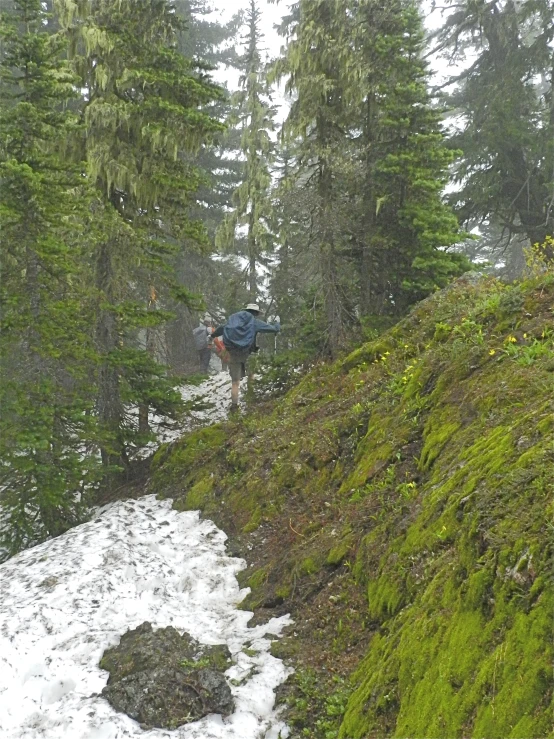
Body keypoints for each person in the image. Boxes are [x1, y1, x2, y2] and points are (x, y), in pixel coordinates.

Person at [212, 303, 280, 409]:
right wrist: (277, 326)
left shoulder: (233, 321)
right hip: (249, 353)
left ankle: (234, 406)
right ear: (255, 313)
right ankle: (250, 401)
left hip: (234, 354)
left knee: (235, 382)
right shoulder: (255, 322)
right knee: (251, 377)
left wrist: (212, 335)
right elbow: (272, 329)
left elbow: (221, 329)